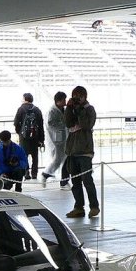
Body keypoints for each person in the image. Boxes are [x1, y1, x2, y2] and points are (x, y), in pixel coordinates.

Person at [64, 85, 99, 218]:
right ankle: (79, 207)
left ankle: (94, 206)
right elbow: (68, 123)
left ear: (85, 97)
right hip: (72, 151)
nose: (77, 98)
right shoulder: (72, 108)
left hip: (84, 151)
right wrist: (69, 108)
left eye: (80, 96)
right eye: (75, 96)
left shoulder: (89, 109)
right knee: (76, 181)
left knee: (87, 180)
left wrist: (79, 109)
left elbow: (86, 125)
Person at [41, 91, 69, 188]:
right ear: (58, 101)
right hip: (56, 139)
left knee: (64, 159)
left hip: (63, 138)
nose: (65, 101)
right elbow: (51, 125)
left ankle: (64, 180)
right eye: (63, 100)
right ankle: (46, 174)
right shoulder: (52, 111)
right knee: (58, 159)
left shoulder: (63, 110)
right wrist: (64, 124)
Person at [13, 93, 44, 180]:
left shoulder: (21, 109)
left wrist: (19, 132)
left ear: (24, 99)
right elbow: (41, 125)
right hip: (35, 137)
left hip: (24, 138)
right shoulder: (37, 110)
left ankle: (26, 173)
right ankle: (34, 174)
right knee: (35, 156)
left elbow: (16, 122)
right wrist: (42, 139)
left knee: (24, 155)